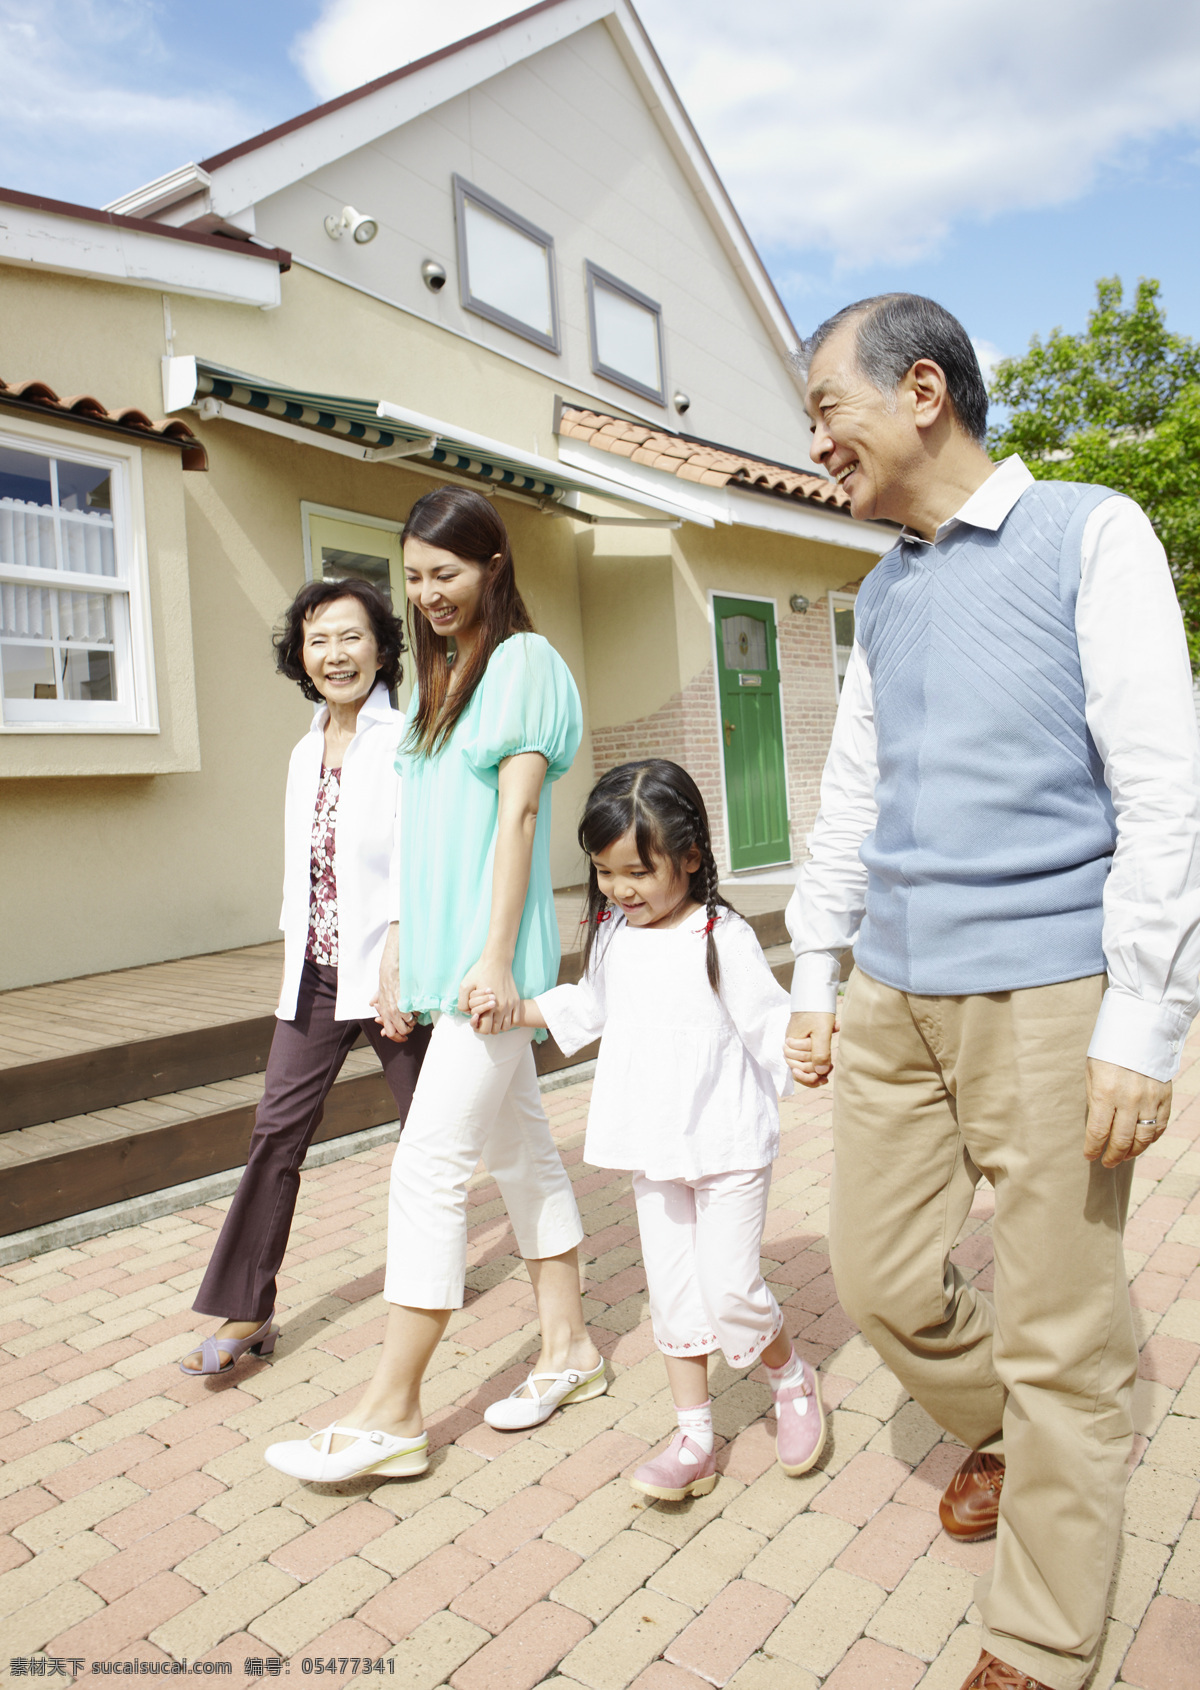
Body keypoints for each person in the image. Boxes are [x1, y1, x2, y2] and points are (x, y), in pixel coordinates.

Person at [784, 293, 1200, 1690]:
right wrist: (818, 968)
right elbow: (853, 796)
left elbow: (1163, 786)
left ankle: (1039, 1633)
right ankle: (1015, 1422)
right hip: (896, 989)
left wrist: (1146, 1019)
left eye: (824, 410)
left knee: (1064, 1325)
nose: (819, 443)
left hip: (1048, 990)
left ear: (920, 391)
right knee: (882, 1274)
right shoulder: (883, 591)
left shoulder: (1091, 530)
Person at [264, 486, 601, 1483]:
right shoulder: (436, 683)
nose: (427, 595)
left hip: (488, 972)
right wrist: (403, 944)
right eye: (412, 578)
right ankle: (571, 1347)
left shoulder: (526, 665)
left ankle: (394, 1410)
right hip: (444, 959)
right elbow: (422, 832)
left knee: (425, 1170)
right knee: (526, 1158)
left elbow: (519, 821)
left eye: (444, 574)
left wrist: (494, 958)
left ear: (494, 563)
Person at [471, 759, 826, 1498]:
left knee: (731, 1289)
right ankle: (694, 1435)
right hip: (653, 1143)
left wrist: (810, 1052)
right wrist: (516, 1008)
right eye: (604, 873)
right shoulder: (613, 934)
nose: (619, 890)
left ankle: (791, 1379)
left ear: (690, 857)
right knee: (672, 1292)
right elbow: (589, 1007)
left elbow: (769, 1020)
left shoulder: (719, 934)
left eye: (637, 870)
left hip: (725, 1141)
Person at [181, 578, 430, 1376]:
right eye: (318, 641)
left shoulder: (409, 737)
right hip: (317, 975)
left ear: (384, 648)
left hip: (396, 969)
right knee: (275, 1132)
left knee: (435, 1132)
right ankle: (248, 1307)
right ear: (300, 657)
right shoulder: (302, 748)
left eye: (351, 637)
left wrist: (402, 942)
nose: (335, 655)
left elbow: (425, 855)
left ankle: (466, 1271)